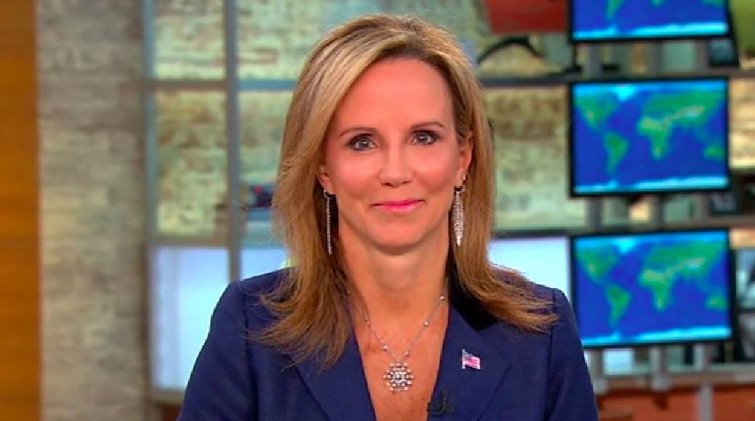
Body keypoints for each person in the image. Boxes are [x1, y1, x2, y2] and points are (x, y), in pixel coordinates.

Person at [179, 14, 597, 421]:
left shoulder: (540, 333)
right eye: (362, 142)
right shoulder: (251, 329)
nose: (396, 172)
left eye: (424, 137)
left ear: (462, 158)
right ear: (324, 168)